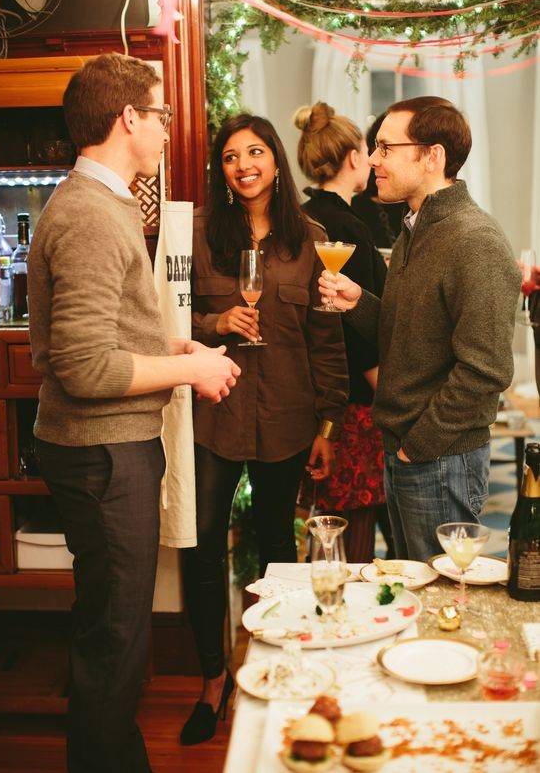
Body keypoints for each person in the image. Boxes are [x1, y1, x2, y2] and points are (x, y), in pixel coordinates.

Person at [28, 53, 241, 773]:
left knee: (111, 631)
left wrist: (171, 345)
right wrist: (190, 369)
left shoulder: (102, 202)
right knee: (115, 641)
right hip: (103, 453)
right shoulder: (91, 213)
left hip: (107, 447)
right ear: (128, 118)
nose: (167, 130)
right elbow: (85, 367)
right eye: (161, 115)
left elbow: (101, 334)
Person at [182, 112, 348, 745]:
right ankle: (212, 680)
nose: (243, 165)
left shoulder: (311, 238)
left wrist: (327, 424)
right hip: (214, 413)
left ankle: (278, 664)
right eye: (230, 156)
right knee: (201, 543)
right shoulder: (198, 234)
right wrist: (216, 324)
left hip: (286, 414)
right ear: (221, 170)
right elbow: (169, 315)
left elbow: (325, 339)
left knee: (277, 546)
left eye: (254, 152)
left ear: (276, 160)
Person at [318, 96, 522, 562]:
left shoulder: (474, 240)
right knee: (416, 586)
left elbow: (487, 370)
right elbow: (410, 335)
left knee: (440, 593)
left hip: (440, 456)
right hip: (404, 448)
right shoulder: (416, 228)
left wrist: (420, 444)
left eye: (386, 148)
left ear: (433, 157)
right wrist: (359, 302)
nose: (373, 159)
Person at [294, 102, 393, 562]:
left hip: (308, 392)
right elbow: (356, 327)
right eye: (368, 151)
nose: (372, 161)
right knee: (354, 527)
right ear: (354, 158)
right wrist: (386, 391)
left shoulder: (300, 216)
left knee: (322, 523)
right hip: (353, 400)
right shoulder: (350, 227)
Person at [350, 113, 408, 248]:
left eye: (386, 148)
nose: (373, 160)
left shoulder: (424, 211)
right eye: (377, 147)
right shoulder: (356, 209)